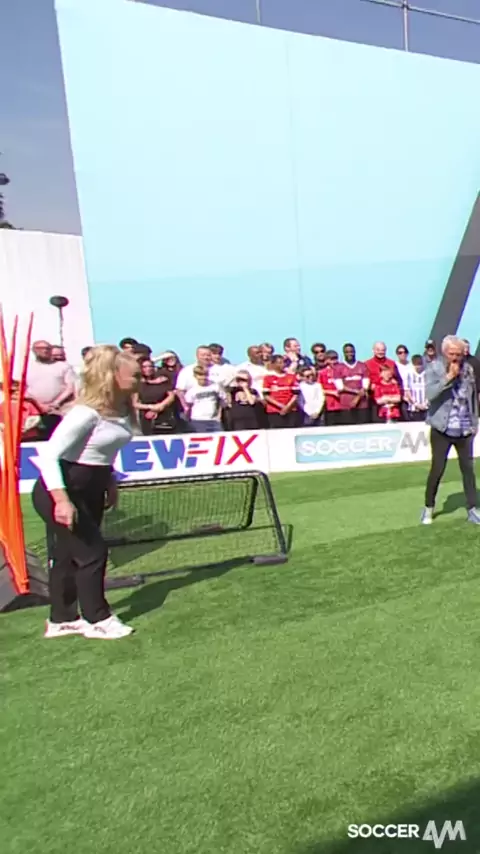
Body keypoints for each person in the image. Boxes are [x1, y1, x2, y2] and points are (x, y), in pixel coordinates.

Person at [31, 345, 140, 640]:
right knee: (92, 552)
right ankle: (98, 619)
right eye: (134, 375)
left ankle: (62, 619)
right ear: (112, 376)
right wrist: (62, 501)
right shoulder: (85, 414)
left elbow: (103, 452)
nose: (139, 380)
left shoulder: (120, 410)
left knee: (68, 555)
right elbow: (49, 455)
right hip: (63, 488)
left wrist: (110, 482)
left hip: (92, 486)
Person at [421, 335, 480, 525]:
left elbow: (472, 397)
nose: (455, 358)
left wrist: (474, 422)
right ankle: (428, 507)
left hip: (464, 428)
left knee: (468, 470)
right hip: (442, 428)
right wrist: (448, 377)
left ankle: (472, 508)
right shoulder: (434, 368)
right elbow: (430, 394)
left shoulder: (468, 369)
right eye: (452, 354)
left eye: (459, 354)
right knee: (437, 469)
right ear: (444, 352)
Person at [26, 340, 77, 439]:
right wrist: (39, 404)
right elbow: (22, 388)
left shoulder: (63, 366)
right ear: (34, 350)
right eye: (41, 348)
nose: (45, 351)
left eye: (47, 348)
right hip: (34, 410)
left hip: (60, 409)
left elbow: (71, 387)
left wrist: (55, 403)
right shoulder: (26, 367)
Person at [134, 358, 176, 435]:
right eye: (144, 367)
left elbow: (171, 396)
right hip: (146, 415)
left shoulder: (163, 380)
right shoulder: (137, 383)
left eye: (150, 366)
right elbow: (135, 403)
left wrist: (160, 407)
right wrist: (151, 407)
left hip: (164, 413)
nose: (148, 369)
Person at [184, 365, 226, 432]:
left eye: (205, 375)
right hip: (198, 420)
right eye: (200, 375)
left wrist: (219, 415)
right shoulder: (192, 391)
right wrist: (187, 419)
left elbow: (223, 400)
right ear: (195, 376)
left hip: (214, 420)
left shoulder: (215, 386)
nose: (203, 377)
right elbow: (188, 406)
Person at [263, 354, 299, 428]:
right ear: (273, 364)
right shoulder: (268, 378)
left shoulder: (291, 376)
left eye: (283, 362)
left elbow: (296, 394)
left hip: (291, 409)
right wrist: (281, 406)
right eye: (279, 363)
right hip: (274, 410)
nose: (282, 365)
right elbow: (266, 395)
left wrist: (287, 407)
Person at [340, 343, 370, 425]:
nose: (350, 354)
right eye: (347, 352)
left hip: (362, 403)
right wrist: (356, 391)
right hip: (346, 404)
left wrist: (357, 398)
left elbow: (365, 386)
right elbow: (340, 387)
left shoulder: (362, 366)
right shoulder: (339, 367)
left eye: (351, 351)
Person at [318, 350, 345, 427]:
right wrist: (332, 392)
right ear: (327, 360)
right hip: (330, 405)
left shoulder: (344, 370)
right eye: (332, 359)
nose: (334, 361)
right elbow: (318, 389)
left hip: (343, 404)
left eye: (336, 358)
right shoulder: (322, 373)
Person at [404, 355, 428, 421]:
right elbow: (407, 391)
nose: (418, 367)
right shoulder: (408, 374)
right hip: (414, 408)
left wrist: (425, 403)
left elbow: (430, 390)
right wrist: (416, 404)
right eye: (416, 365)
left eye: (420, 364)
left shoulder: (426, 373)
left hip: (426, 406)